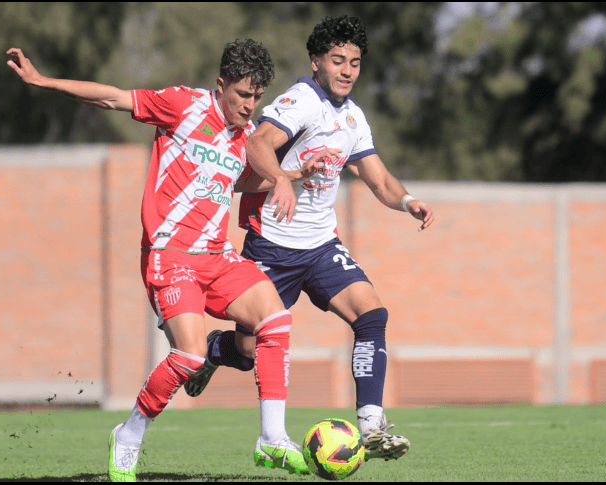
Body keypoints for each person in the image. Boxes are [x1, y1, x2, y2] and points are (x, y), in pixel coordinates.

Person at [6, 39, 330, 481]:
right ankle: (130, 433)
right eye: (242, 95)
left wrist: (294, 175)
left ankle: (271, 438)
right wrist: (42, 81)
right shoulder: (183, 105)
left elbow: (235, 182)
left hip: (216, 257)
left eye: (256, 97)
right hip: (170, 255)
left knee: (276, 321)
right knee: (191, 357)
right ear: (220, 86)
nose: (249, 106)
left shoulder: (241, 137)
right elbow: (112, 97)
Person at [184, 16, 435, 462]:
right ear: (316, 61)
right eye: (337, 60)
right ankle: (213, 350)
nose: (347, 70)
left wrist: (408, 200)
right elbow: (256, 144)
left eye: (355, 62)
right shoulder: (301, 101)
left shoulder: (353, 117)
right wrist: (281, 179)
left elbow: (378, 178)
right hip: (271, 247)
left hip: (320, 246)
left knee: (372, 313)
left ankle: (372, 426)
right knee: (247, 351)